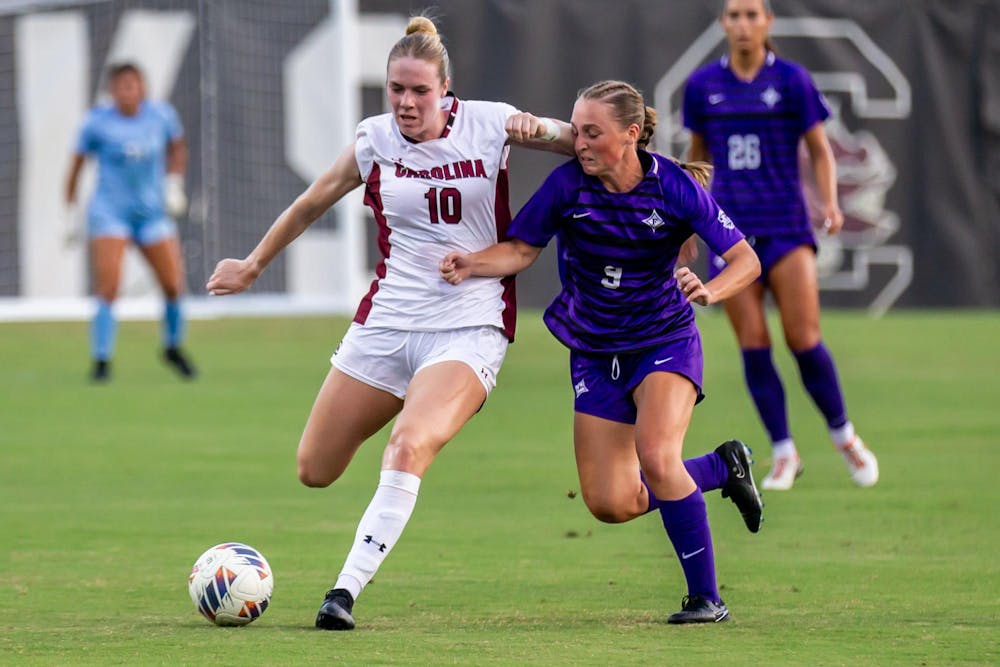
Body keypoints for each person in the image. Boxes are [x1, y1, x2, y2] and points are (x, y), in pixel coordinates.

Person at [205, 16, 580, 631]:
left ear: (446, 89)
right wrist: (251, 265)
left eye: (419, 91)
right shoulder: (375, 138)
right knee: (314, 469)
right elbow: (311, 201)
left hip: (468, 324)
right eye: (395, 89)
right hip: (386, 325)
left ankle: (343, 593)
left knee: (407, 446)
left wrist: (546, 128)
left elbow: (588, 142)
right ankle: (409, 410)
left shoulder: (490, 123)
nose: (406, 103)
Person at [440, 80, 763, 624]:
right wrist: (471, 263)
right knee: (611, 503)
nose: (579, 142)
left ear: (631, 135)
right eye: (576, 129)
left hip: (665, 340)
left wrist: (711, 291)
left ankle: (706, 598)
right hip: (594, 349)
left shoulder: (674, 188)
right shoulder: (568, 186)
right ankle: (720, 467)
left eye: (592, 132)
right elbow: (520, 249)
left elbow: (746, 261)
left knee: (657, 459)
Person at [681, 0, 878, 490]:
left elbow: (819, 149)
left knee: (803, 338)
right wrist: (687, 219)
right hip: (730, 234)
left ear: (768, 21)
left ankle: (844, 436)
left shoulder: (791, 80)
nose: (743, 23)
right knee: (754, 345)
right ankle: (784, 452)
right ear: (723, 24)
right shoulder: (704, 87)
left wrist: (830, 204)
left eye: (752, 14)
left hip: (787, 229)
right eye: (734, 15)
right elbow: (698, 162)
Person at [65, 62, 196, 382]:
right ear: (112, 91)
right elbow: (76, 166)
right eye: (121, 86)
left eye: (133, 84)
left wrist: (174, 182)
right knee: (109, 287)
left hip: (151, 214)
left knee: (172, 284)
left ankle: (173, 347)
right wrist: (69, 210)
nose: (128, 91)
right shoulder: (97, 123)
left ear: (142, 88)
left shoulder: (161, 116)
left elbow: (177, 148)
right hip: (111, 214)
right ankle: (101, 361)